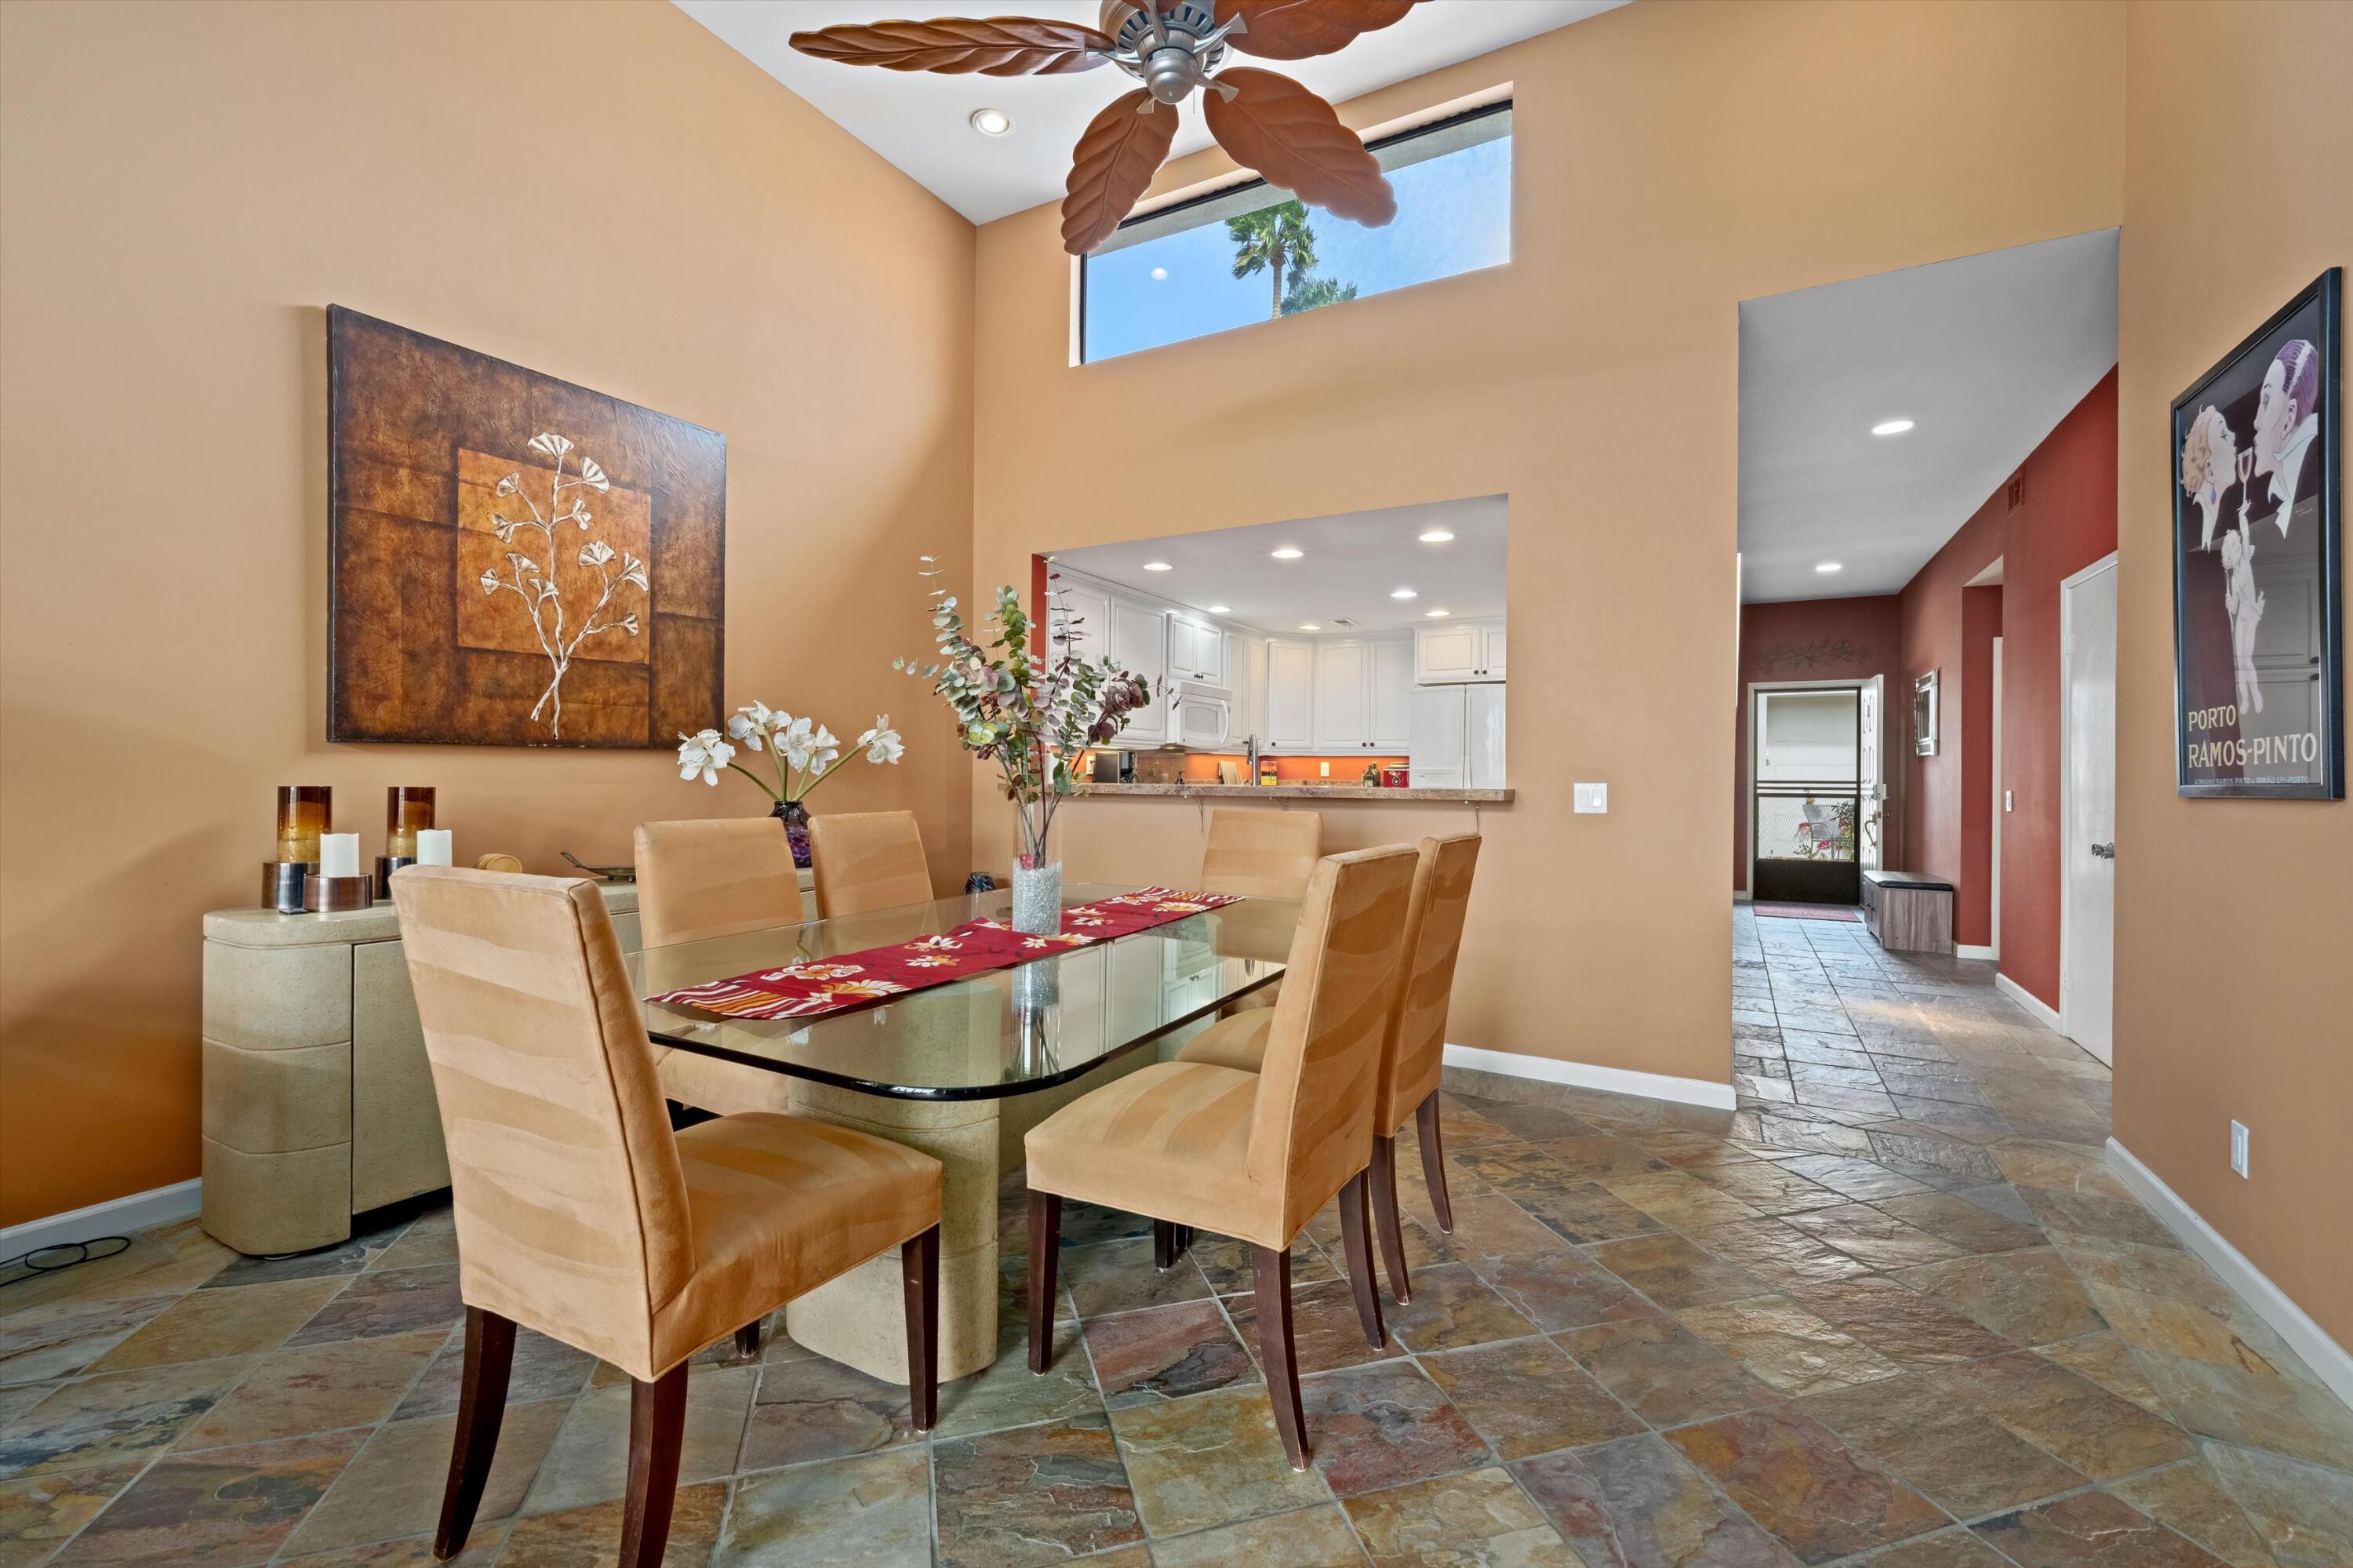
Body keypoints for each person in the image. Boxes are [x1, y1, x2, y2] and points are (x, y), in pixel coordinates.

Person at [2243, 337, 2322, 541]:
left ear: (2289, 418)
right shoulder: (2285, 497)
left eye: (2266, 401)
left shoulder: (2312, 484)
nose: (2256, 422)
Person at [2179, 403, 2241, 551]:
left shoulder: (2228, 515)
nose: (2233, 436)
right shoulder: (2192, 522)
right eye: (2224, 435)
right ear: (2209, 471)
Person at [2220, 526, 2266, 717]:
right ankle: (2245, 699)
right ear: (2229, 555)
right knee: (2239, 663)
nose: (2238, 547)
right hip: (2241, 619)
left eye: (2237, 544)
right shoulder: (2233, 580)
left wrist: (2242, 517)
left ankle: (2255, 694)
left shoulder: (2246, 561)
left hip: (2251, 618)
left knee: (2247, 661)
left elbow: (2246, 535)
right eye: (2233, 547)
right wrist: (2230, 603)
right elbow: (2235, 608)